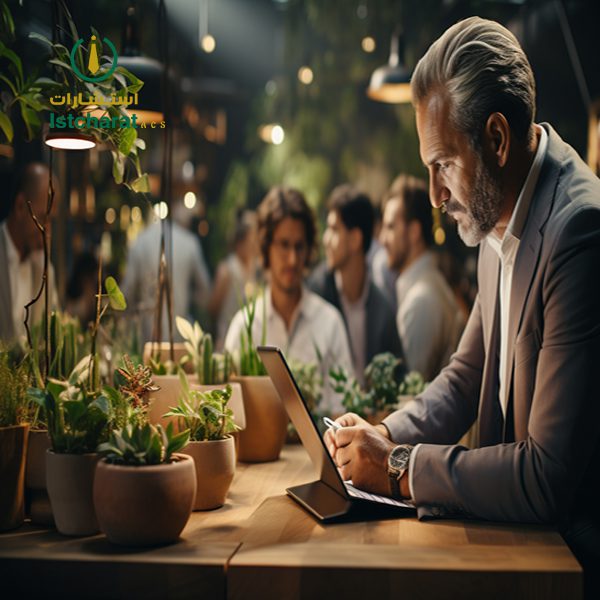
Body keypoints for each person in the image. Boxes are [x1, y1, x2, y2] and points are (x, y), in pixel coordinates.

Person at [326, 17, 600, 598]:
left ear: (497, 140)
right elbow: (463, 379)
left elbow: (546, 476)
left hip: (569, 558)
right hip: (511, 540)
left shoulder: (578, 231)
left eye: (442, 165)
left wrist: (398, 467)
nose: (435, 195)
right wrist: (377, 436)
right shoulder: (498, 209)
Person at [224, 186, 353, 414]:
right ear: (266, 247)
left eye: (299, 246)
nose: (292, 259)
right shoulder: (244, 327)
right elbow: (230, 413)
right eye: (284, 245)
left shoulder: (330, 323)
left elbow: (344, 408)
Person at [308, 184, 403, 383]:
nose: (326, 239)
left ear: (355, 239)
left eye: (334, 229)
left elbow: (399, 377)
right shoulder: (315, 294)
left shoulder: (382, 308)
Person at [381, 174, 463, 381]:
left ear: (414, 232)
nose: (382, 239)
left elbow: (410, 393)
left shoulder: (421, 300)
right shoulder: (427, 284)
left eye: (391, 227)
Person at [121, 199, 211, 345]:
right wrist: (186, 297)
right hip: (180, 337)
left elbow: (126, 294)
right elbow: (205, 291)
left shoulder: (140, 242)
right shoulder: (190, 242)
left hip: (148, 337)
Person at [0, 163, 58, 343]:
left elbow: (53, 332)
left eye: (51, 221)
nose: (47, 231)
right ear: (19, 206)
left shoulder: (43, 266)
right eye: (42, 218)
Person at [208, 209, 260, 350]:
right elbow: (213, 308)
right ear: (239, 243)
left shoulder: (255, 269)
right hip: (227, 339)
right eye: (251, 240)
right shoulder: (227, 270)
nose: (255, 245)